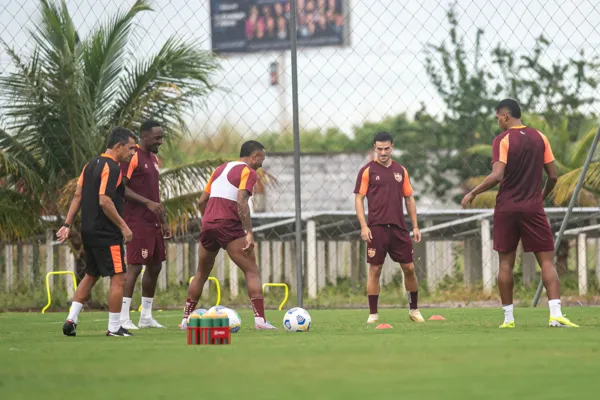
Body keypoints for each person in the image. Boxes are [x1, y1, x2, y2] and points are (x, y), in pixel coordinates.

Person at [461, 98, 578, 328]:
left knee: (506, 263)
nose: (498, 122)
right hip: (533, 207)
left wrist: (473, 193)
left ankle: (508, 319)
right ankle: (555, 314)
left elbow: (497, 175)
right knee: (546, 261)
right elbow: (553, 176)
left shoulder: (502, 140)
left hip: (506, 207)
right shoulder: (540, 137)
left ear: (505, 116)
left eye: (498, 118)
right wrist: (540, 198)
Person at [179, 140, 276, 330]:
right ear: (254, 156)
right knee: (251, 270)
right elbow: (241, 201)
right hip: (229, 225)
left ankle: (185, 320)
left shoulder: (219, 169)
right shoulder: (249, 172)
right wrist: (248, 232)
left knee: (201, 273)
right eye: (261, 159)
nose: (261, 164)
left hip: (208, 224)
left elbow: (202, 200)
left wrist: (209, 220)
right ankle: (260, 321)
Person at [57, 127, 137, 337]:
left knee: (91, 275)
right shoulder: (113, 168)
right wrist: (123, 226)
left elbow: (77, 196)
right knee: (119, 277)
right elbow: (104, 200)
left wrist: (67, 224)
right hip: (106, 232)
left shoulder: (90, 165)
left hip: (88, 230)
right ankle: (114, 327)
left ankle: (71, 319)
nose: (133, 153)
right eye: (130, 148)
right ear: (118, 146)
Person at [354, 131, 425, 324]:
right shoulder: (367, 171)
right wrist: (363, 226)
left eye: (386, 148)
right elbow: (359, 199)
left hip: (399, 228)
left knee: (409, 268)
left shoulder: (401, 171)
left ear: (392, 147)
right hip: (376, 228)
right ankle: (373, 314)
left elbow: (409, 198)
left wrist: (415, 226)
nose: (383, 152)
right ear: (374, 148)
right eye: (379, 149)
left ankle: (414, 310)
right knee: (375, 270)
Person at [119, 120, 171, 330]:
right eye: (157, 137)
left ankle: (146, 316)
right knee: (134, 267)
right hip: (136, 222)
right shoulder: (132, 157)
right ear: (144, 136)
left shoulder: (154, 159)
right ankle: (123, 317)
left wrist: (163, 220)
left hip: (154, 222)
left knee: (156, 265)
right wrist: (147, 203)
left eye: (161, 137)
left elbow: (154, 193)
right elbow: (120, 188)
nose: (160, 141)